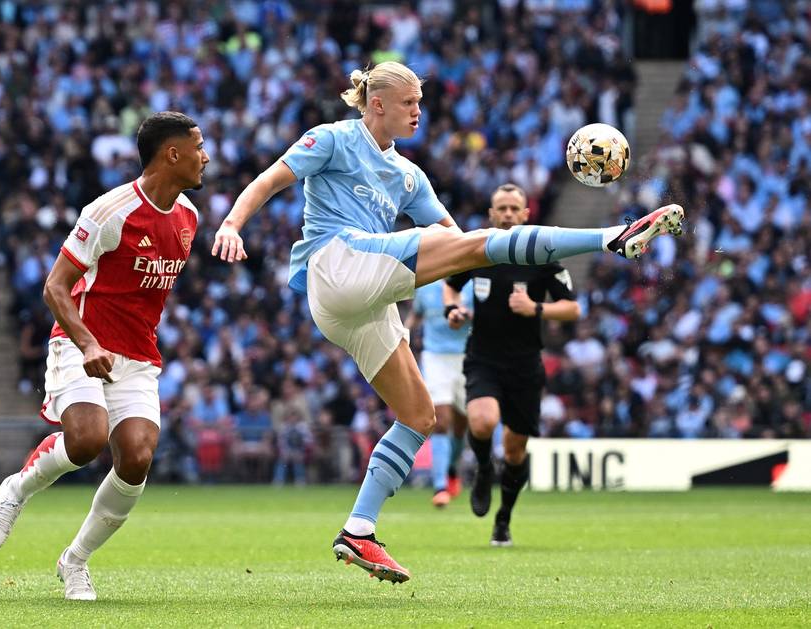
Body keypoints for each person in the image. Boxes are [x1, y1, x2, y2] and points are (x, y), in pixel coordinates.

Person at [211, 61, 684, 584]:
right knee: (463, 245)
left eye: (420, 102)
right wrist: (231, 223)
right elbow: (269, 180)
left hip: (359, 302)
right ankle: (611, 237)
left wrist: (473, 269)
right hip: (335, 264)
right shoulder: (332, 138)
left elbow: (461, 243)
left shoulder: (410, 175)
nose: (419, 112)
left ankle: (359, 531)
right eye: (409, 103)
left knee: (419, 416)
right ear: (377, 104)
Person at [0, 111, 209, 601]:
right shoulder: (110, 211)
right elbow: (55, 286)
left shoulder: (189, 218)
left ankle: (75, 561)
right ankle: (16, 490)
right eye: (199, 147)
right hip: (80, 341)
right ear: (173, 154)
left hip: (137, 355)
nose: (205, 157)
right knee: (87, 440)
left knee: (138, 457)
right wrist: (87, 342)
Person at [445, 183, 581, 547]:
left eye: (513, 208)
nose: (507, 214)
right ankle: (483, 468)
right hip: (483, 358)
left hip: (524, 364)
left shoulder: (542, 256)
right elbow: (451, 284)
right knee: (482, 421)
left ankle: (503, 518)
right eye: (501, 208)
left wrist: (535, 308)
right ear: (491, 214)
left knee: (515, 450)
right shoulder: (479, 250)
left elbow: (572, 308)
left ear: (525, 214)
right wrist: (452, 309)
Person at [404, 278, 472, 508]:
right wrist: (402, 336)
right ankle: (440, 486)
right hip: (435, 358)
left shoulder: (470, 285)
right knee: (441, 421)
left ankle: (451, 467)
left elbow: (487, 318)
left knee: (462, 424)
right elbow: (416, 314)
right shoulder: (426, 288)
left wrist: (468, 315)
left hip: (467, 358)